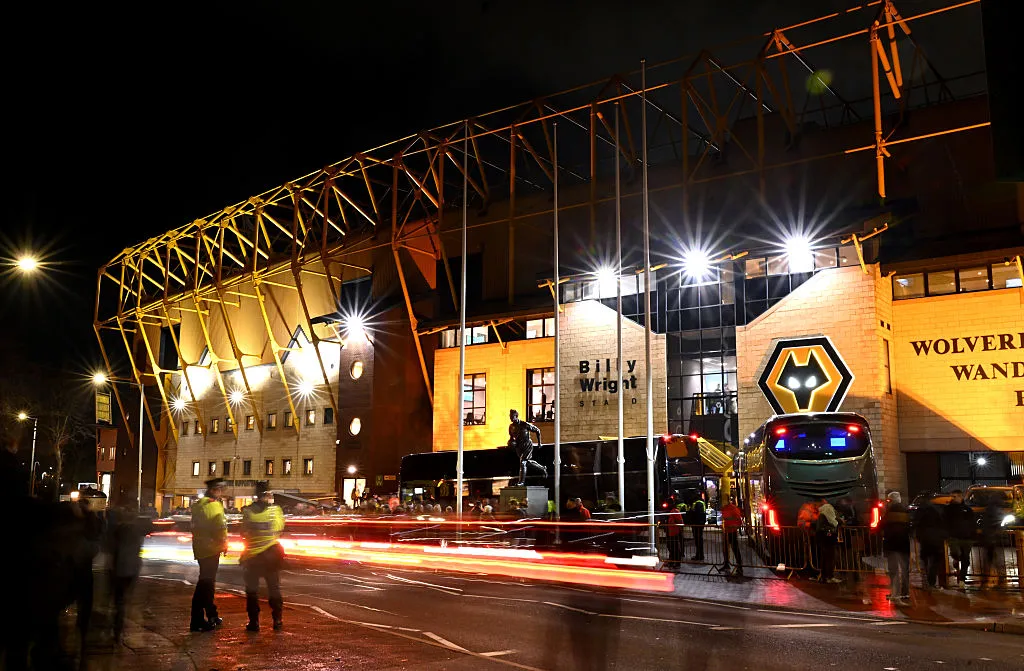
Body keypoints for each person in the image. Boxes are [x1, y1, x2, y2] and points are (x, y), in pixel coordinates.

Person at [241, 481, 286, 632]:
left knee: (252, 591)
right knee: (273, 588)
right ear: (267, 494)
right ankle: (277, 620)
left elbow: (244, 531)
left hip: (252, 556)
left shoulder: (247, 512)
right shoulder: (275, 511)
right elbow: (279, 529)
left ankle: (254, 622)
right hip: (270, 556)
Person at [107, 499, 154, 642]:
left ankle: (116, 628)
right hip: (131, 568)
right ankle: (118, 629)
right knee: (124, 599)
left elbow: (109, 546)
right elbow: (150, 526)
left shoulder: (117, 529)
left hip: (118, 568)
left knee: (118, 600)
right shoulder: (136, 528)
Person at [190, 477, 227, 632]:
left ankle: (211, 614)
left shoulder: (198, 505)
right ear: (213, 490)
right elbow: (220, 527)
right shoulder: (214, 506)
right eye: (220, 490)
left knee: (206, 584)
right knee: (205, 585)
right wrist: (224, 543)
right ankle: (197, 620)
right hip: (211, 549)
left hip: (200, 548)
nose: (221, 493)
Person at [882, 491, 911, 604]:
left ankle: (895, 593)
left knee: (893, 570)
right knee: (905, 570)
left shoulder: (889, 512)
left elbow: (881, 525)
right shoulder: (906, 510)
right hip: (904, 543)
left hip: (892, 543)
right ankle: (905, 592)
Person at [913, 495, 947, 589]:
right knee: (935, 561)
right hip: (935, 539)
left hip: (925, 539)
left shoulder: (920, 511)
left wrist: (918, 536)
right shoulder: (936, 510)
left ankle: (927, 580)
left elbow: (916, 524)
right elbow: (942, 523)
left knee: (925, 560)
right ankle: (931, 581)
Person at [944, 490, 975, 589]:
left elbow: (972, 522)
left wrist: (972, 534)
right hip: (954, 537)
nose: (952, 498)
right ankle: (956, 560)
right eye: (951, 496)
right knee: (956, 553)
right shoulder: (948, 509)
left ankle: (962, 579)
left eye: (954, 496)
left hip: (967, 538)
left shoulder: (967, 509)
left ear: (960, 497)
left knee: (965, 559)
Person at [508, 409, 547, 484]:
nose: (511, 418)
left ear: (516, 416)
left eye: (512, 416)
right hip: (519, 447)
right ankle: (542, 468)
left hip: (527, 446)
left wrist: (539, 443)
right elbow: (511, 438)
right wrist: (511, 443)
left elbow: (537, 430)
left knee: (523, 463)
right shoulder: (511, 427)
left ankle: (521, 482)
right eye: (510, 416)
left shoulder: (524, 424)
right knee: (527, 462)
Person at [816, 497, 841, 584]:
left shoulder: (821, 513)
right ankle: (829, 576)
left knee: (825, 558)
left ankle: (824, 577)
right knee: (830, 557)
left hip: (824, 538)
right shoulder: (828, 512)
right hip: (829, 538)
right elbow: (837, 521)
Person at [720, 497, 743, 576]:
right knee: (725, 549)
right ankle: (726, 564)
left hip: (731, 532)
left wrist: (734, 527)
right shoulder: (723, 508)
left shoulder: (733, 508)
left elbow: (739, 521)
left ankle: (739, 567)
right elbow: (724, 520)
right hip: (726, 532)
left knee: (735, 549)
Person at [665, 504, 684, 569]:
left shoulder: (675, 511)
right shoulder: (671, 512)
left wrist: (680, 531)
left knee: (675, 548)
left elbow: (680, 521)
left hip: (675, 533)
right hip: (671, 533)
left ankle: (677, 563)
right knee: (671, 547)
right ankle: (672, 561)